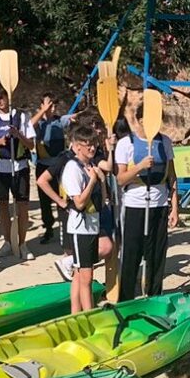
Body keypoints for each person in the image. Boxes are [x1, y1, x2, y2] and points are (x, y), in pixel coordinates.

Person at [114, 105, 180, 299]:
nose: (156, 122)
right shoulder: (126, 143)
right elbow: (121, 179)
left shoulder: (165, 142)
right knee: (131, 256)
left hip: (159, 205)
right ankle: (126, 298)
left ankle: (154, 297)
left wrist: (174, 208)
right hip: (135, 206)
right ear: (140, 119)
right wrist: (140, 166)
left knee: (156, 256)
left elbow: (172, 177)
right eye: (151, 118)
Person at [0, 85, 35, 262]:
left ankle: (22, 244)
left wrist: (18, 135)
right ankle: (7, 242)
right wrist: (0, 142)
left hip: (19, 167)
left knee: (22, 206)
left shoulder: (21, 116)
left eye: (2, 97)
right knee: (3, 205)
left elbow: (32, 145)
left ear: (8, 96)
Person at [59, 125, 109, 313]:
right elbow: (79, 203)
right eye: (86, 144)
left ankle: (75, 313)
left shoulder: (90, 167)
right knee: (86, 275)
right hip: (80, 228)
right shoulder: (73, 168)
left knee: (80, 275)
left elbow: (103, 202)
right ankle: (90, 314)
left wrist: (101, 181)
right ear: (76, 147)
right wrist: (93, 181)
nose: (91, 148)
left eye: (93, 144)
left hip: (92, 225)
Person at [32, 94, 69, 244]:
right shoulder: (38, 123)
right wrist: (43, 110)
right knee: (44, 201)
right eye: (49, 105)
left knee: (61, 198)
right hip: (43, 166)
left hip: (59, 166)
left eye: (53, 106)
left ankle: (63, 228)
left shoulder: (60, 121)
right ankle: (48, 227)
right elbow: (29, 125)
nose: (51, 108)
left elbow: (73, 117)